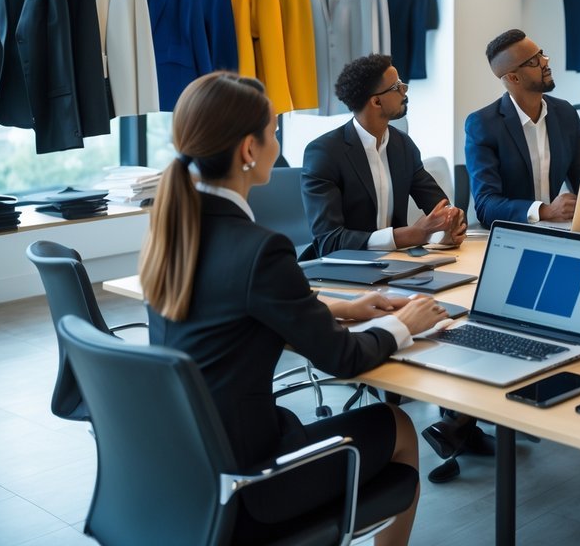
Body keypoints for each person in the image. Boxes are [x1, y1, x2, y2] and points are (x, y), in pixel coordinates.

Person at [139, 72, 448, 544]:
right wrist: (401, 323)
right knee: (400, 424)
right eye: (272, 130)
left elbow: (240, 312)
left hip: (187, 465)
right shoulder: (260, 249)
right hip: (256, 481)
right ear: (248, 150)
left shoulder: (176, 231)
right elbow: (342, 361)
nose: (276, 139)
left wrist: (344, 307)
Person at [301, 54, 466, 257]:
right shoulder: (324, 153)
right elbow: (329, 241)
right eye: (397, 86)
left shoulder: (403, 144)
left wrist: (449, 226)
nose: (405, 90)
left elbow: (440, 206)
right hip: (345, 269)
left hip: (398, 264)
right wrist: (412, 235)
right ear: (376, 102)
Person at [465, 28, 580, 228]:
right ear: (513, 78)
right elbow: (486, 205)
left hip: (557, 228)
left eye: (541, 54)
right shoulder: (483, 124)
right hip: (510, 233)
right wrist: (545, 211)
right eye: (533, 61)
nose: (545, 62)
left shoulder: (565, 113)